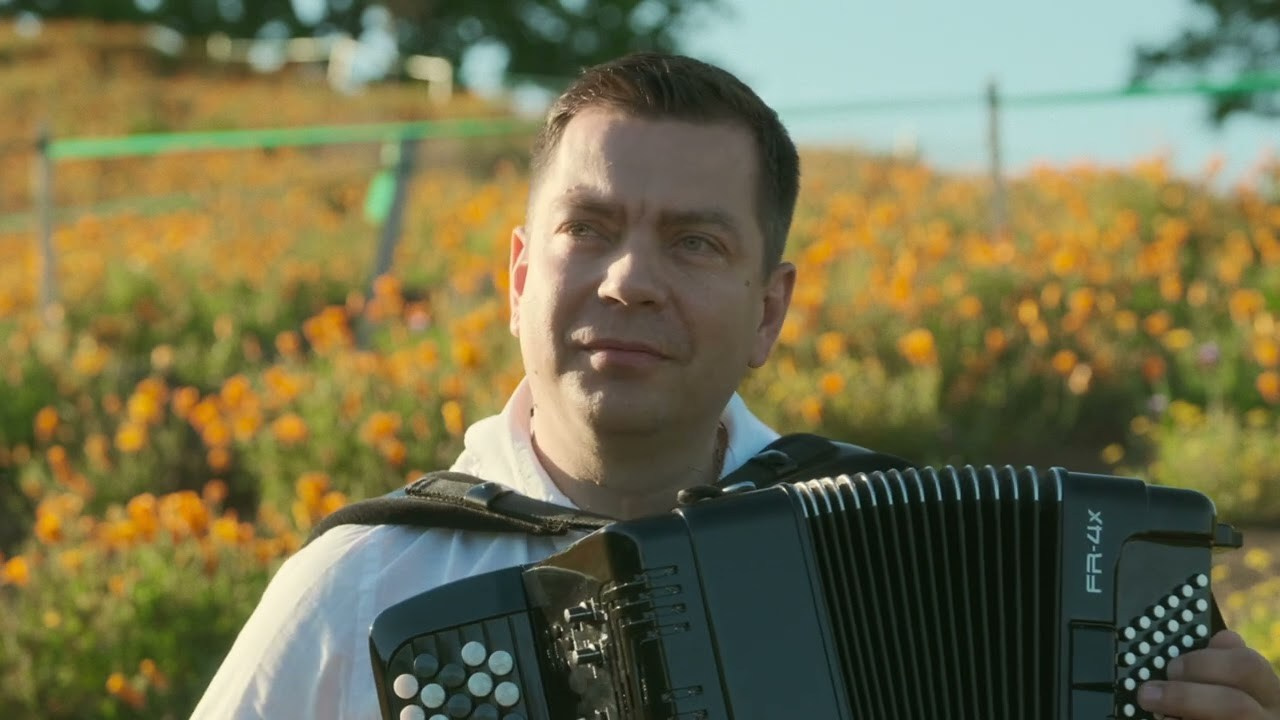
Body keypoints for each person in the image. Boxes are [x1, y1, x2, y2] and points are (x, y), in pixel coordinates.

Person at [190, 53, 1280, 720]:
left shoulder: (890, 540)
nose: (629, 281)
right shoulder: (357, 590)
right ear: (521, 276)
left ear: (768, 310)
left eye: (696, 243)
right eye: (591, 229)